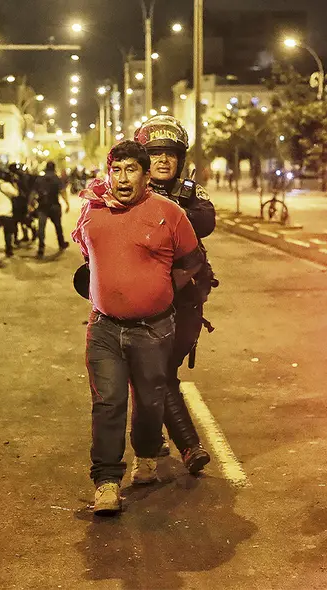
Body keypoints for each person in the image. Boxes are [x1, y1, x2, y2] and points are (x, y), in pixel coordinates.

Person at [71, 140, 205, 515]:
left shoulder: (169, 213)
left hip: (154, 329)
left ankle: (146, 454)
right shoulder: (92, 211)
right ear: (108, 172)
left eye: (132, 170)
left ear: (146, 176)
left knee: (149, 402)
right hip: (105, 328)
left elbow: (191, 261)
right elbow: (88, 253)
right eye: (117, 170)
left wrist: (160, 288)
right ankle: (107, 481)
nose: (123, 178)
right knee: (108, 401)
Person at [132, 115, 215, 475]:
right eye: (155, 154)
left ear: (180, 158)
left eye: (170, 153)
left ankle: (157, 444)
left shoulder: (191, 194)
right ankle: (188, 446)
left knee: (159, 374)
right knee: (157, 375)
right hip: (142, 303)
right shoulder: (129, 190)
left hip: (184, 303)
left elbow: (205, 220)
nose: (163, 160)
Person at [33, 161, 69, 258]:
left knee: (41, 228)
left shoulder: (40, 179)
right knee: (58, 226)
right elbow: (62, 191)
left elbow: (33, 192)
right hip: (54, 206)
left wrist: (30, 204)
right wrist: (67, 203)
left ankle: (41, 248)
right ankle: (61, 243)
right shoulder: (57, 179)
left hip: (42, 207)